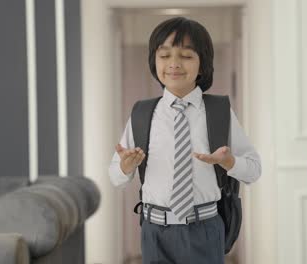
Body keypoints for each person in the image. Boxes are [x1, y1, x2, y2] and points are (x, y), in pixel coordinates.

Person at [108, 16, 261, 264]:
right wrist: (126, 166)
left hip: (205, 229)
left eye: (186, 56)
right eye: (165, 55)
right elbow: (115, 177)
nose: (174, 64)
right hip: (154, 231)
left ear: (202, 65)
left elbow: (253, 170)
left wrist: (229, 161)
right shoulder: (142, 114)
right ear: (154, 62)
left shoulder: (219, 112)